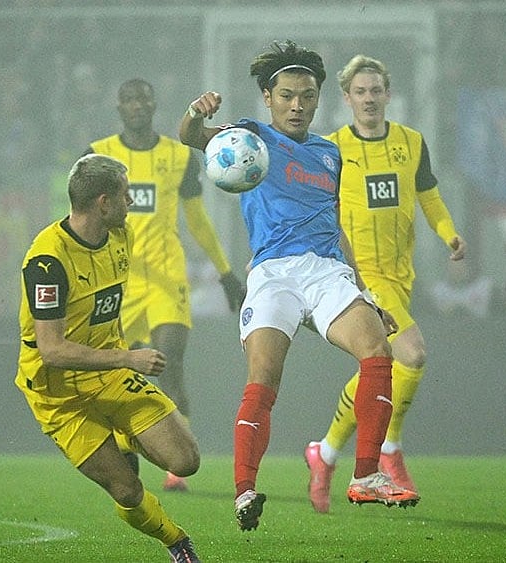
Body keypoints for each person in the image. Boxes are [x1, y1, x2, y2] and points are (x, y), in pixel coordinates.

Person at [178, 40, 419, 532]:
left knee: (378, 349)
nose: (297, 106)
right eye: (287, 96)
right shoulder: (250, 137)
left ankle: (365, 475)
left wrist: (367, 294)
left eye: (307, 97)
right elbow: (191, 136)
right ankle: (245, 490)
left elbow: (335, 224)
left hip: (327, 271)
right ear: (268, 97)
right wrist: (195, 113)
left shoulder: (329, 154)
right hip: (274, 273)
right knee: (264, 377)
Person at [14, 153, 203, 562]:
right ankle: (177, 542)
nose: (131, 202)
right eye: (125, 194)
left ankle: (122, 432)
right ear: (103, 203)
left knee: (186, 461)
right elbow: (52, 350)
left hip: (109, 377)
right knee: (128, 490)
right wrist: (126, 358)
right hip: (58, 395)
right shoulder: (47, 262)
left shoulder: (121, 236)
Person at [304, 54, 467, 513]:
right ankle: (389, 448)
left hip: (400, 274)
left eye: (376, 90)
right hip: (359, 274)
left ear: (388, 94)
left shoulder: (411, 142)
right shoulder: (332, 149)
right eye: (361, 91)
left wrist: (449, 233)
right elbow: (317, 208)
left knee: (376, 367)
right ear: (347, 98)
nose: (369, 98)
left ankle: (325, 453)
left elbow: (429, 197)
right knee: (411, 354)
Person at [87, 78, 246, 492]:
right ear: (118, 107)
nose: (137, 105)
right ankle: (127, 442)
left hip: (166, 275)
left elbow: (196, 218)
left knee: (170, 361)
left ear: (154, 104)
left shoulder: (178, 156)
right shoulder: (99, 156)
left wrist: (225, 271)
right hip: (119, 280)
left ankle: (178, 461)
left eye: (144, 98)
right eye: (129, 99)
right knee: (122, 368)